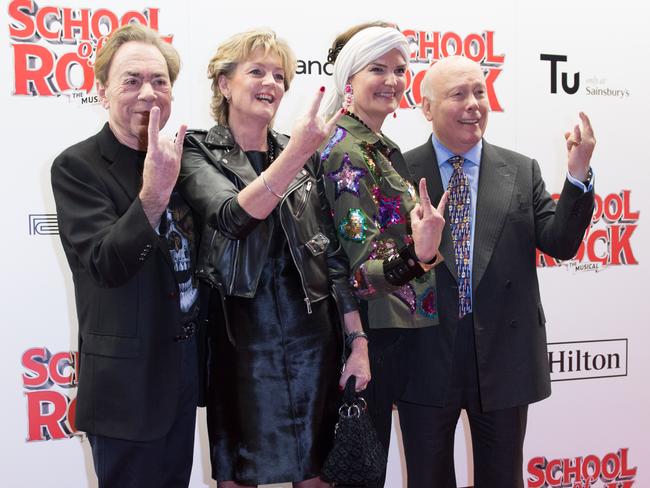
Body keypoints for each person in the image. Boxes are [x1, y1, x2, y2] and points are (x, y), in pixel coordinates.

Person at [177, 29, 369, 488]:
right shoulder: (196, 148)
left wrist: (357, 341)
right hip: (239, 342)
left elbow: (332, 257)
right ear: (224, 85)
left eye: (280, 75)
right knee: (240, 475)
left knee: (317, 472)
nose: (271, 83)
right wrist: (299, 152)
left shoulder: (296, 149)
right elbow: (232, 217)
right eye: (257, 71)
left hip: (312, 342)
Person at [403, 55, 596, 487]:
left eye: (479, 92)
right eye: (458, 94)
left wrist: (578, 173)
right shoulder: (399, 169)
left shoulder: (520, 169)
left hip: (503, 355)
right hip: (424, 354)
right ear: (427, 107)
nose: (474, 104)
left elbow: (560, 242)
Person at [51, 24, 202, 488]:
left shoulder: (185, 159)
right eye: (131, 80)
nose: (148, 94)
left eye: (160, 81)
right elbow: (106, 263)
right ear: (102, 92)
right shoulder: (78, 166)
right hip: (127, 391)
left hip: (183, 377)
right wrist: (153, 196)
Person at [320, 24, 447, 487]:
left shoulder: (379, 146)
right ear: (348, 79)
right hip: (371, 331)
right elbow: (362, 274)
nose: (392, 79)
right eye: (378, 68)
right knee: (362, 474)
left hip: (400, 329)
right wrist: (420, 253)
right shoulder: (345, 151)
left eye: (399, 69)